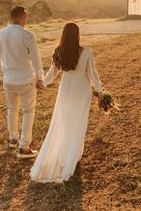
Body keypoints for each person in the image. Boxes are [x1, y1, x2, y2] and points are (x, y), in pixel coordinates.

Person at [30, 22, 102, 182]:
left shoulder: (59, 52)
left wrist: (43, 83)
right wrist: (99, 90)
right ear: (77, 35)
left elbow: (51, 74)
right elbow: (92, 74)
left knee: (66, 121)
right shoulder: (87, 52)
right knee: (78, 122)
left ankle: (67, 155)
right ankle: (73, 156)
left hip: (66, 88)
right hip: (81, 89)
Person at [0, 5, 45, 159]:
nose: (26, 20)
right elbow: (36, 60)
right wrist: (40, 77)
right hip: (26, 80)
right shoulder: (28, 35)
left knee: (12, 109)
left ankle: (13, 139)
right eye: (26, 17)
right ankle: (24, 147)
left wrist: (2, 71)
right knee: (28, 111)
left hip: (8, 80)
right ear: (21, 17)